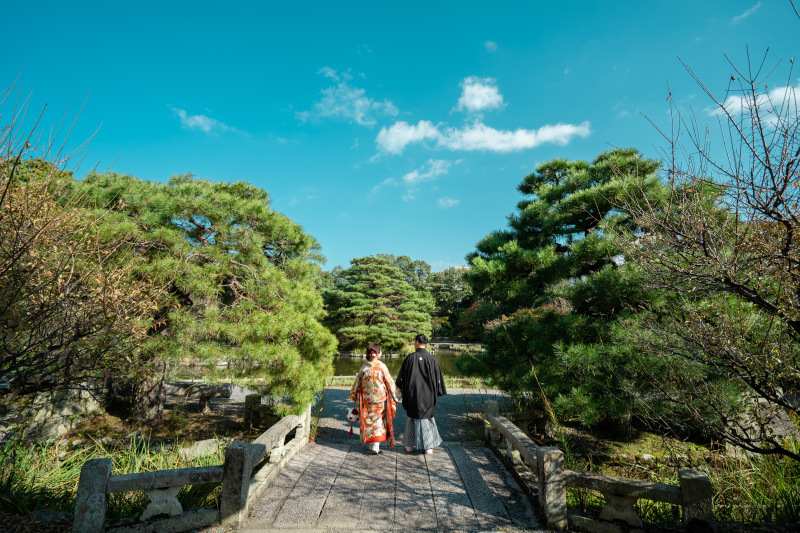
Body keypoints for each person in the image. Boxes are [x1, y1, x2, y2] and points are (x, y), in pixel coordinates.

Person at [395, 333, 446, 454]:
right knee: (427, 419)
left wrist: (400, 391)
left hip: (412, 394)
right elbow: (438, 380)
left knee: (412, 418)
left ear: (417, 342)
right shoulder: (432, 359)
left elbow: (401, 378)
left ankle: (409, 445)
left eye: (414, 342)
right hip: (428, 396)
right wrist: (436, 392)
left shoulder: (410, 358)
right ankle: (428, 447)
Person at [349, 343, 398, 455]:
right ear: (377, 354)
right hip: (380, 399)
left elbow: (357, 383)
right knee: (379, 420)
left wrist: (353, 395)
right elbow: (389, 382)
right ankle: (376, 445)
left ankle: (371, 444)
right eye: (380, 351)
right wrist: (395, 397)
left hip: (367, 399)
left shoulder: (364, 367)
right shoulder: (381, 366)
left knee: (368, 420)